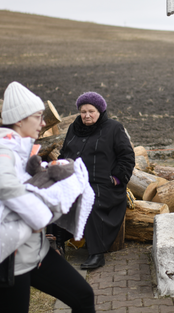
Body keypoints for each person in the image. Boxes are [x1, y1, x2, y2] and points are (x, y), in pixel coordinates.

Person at [0, 81, 95, 313]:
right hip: (11, 260)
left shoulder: (18, 148)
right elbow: (4, 185)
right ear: (19, 119)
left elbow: (27, 185)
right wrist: (38, 217)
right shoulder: (1, 151)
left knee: (83, 296)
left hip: (36, 253)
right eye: (38, 116)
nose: (44, 122)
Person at [60, 91, 135, 270]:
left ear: (100, 111)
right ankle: (56, 245)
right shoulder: (73, 128)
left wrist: (117, 178)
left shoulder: (114, 128)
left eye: (91, 111)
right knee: (56, 199)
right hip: (76, 182)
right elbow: (65, 153)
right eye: (83, 111)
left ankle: (96, 253)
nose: (87, 115)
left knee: (90, 203)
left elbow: (127, 156)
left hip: (104, 185)